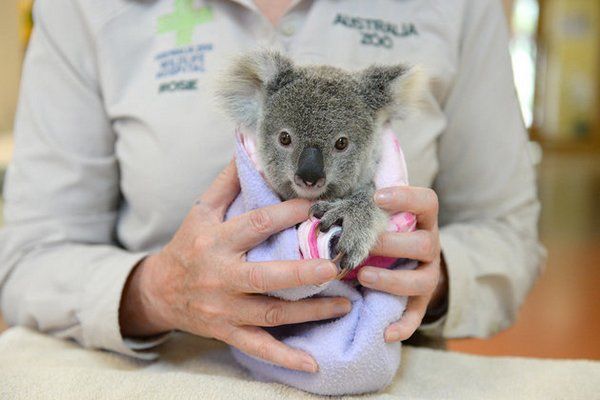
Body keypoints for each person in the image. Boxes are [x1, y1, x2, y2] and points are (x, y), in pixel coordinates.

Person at [0, 0, 545, 373]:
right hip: (174, 368)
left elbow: (508, 235)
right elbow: (28, 255)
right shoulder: (84, 9)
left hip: (382, 365)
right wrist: (157, 291)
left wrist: (421, 273)